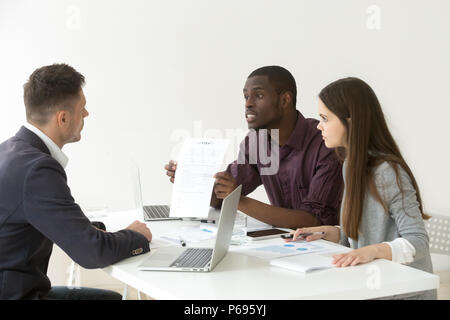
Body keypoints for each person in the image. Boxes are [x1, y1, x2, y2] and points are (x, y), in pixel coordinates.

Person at [0, 64, 152, 300]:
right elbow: (92, 253)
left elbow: (47, 218)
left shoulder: (10, 151)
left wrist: (91, 230)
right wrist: (136, 236)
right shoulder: (38, 169)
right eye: (82, 108)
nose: (86, 114)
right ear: (63, 118)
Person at [288, 77, 436, 299]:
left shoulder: (387, 171)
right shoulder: (351, 165)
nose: (319, 125)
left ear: (351, 121)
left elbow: (417, 241)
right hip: (372, 284)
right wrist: (332, 233)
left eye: (325, 118)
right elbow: (361, 238)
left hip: (404, 291)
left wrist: (373, 251)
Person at [165, 66, 343, 229]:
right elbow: (221, 197)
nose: (248, 104)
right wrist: (189, 179)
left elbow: (312, 220)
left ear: (285, 100)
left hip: (329, 251)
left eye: (258, 96)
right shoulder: (256, 142)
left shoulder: (325, 142)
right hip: (286, 244)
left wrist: (237, 200)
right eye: (245, 96)